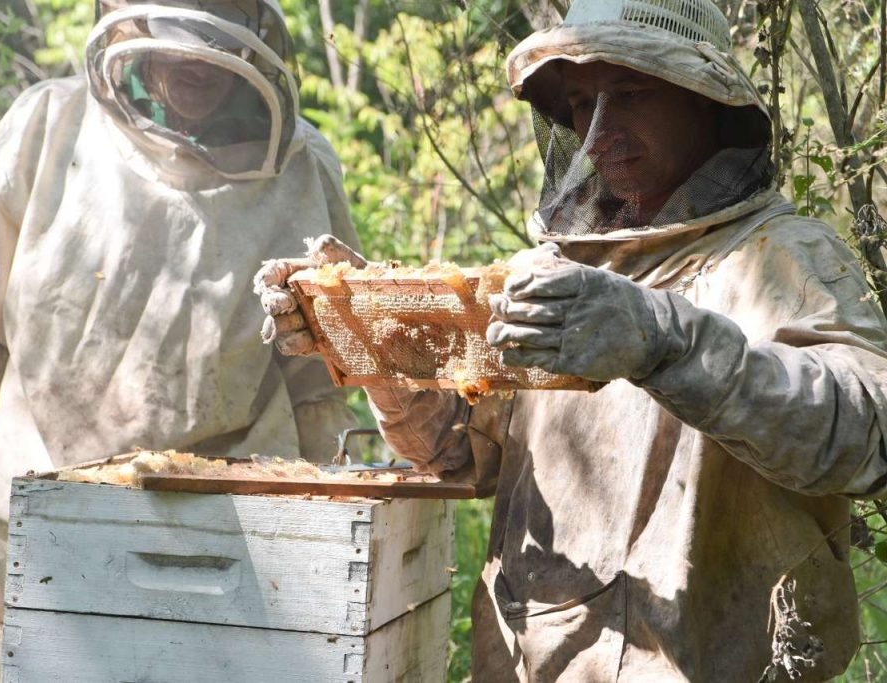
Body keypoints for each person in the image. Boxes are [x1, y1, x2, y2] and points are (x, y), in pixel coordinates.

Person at [256, 0, 887, 680]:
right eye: (582, 104)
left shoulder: (781, 256)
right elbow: (463, 455)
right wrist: (372, 335)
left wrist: (667, 341)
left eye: (632, 94)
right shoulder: (561, 272)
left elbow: (868, 430)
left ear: (705, 103)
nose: (600, 132)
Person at [0, 0, 359, 670]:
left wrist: (335, 550)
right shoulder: (46, 128)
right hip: (39, 513)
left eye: (218, 11)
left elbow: (319, 382)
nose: (195, 51)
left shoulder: (300, 166)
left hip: (231, 530)